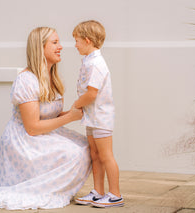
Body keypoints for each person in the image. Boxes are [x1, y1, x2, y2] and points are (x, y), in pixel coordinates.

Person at [0, 27, 91, 210]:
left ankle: (54, 189)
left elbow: (48, 115)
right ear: (40, 47)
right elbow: (32, 127)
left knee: (85, 146)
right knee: (74, 153)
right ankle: (40, 190)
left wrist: (75, 111)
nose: (60, 46)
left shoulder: (52, 78)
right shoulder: (26, 80)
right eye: (54, 43)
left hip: (42, 133)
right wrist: (70, 117)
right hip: (24, 139)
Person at [72, 20, 124, 208]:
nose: (75, 45)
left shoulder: (96, 64)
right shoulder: (88, 61)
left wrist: (76, 105)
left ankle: (115, 194)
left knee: (105, 155)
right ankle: (98, 191)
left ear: (87, 40)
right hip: (92, 117)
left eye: (77, 40)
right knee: (95, 154)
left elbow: (92, 93)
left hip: (101, 117)